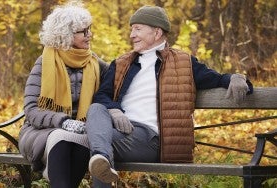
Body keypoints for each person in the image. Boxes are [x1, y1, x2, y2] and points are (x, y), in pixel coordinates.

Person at [85, 5, 253, 187]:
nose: (132, 35)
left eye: (138, 29)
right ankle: (101, 156)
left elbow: (217, 79)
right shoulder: (121, 63)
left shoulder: (184, 63)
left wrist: (237, 78)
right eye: (131, 29)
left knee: (84, 143)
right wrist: (115, 110)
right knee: (96, 113)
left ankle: (100, 155)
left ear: (157, 32)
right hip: (121, 132)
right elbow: (102, 96)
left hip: (153, 140)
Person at [17, 1, 108, 187]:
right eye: (83, 31)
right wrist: (63, 122)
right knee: (62, 139)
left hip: (81, 132)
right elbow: (32, 110)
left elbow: (119, 75)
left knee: (82, 140)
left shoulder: (94, 63)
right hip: (42, 131)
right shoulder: (45, 62)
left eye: (89, 29)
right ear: (66, 34)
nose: (89, 34)